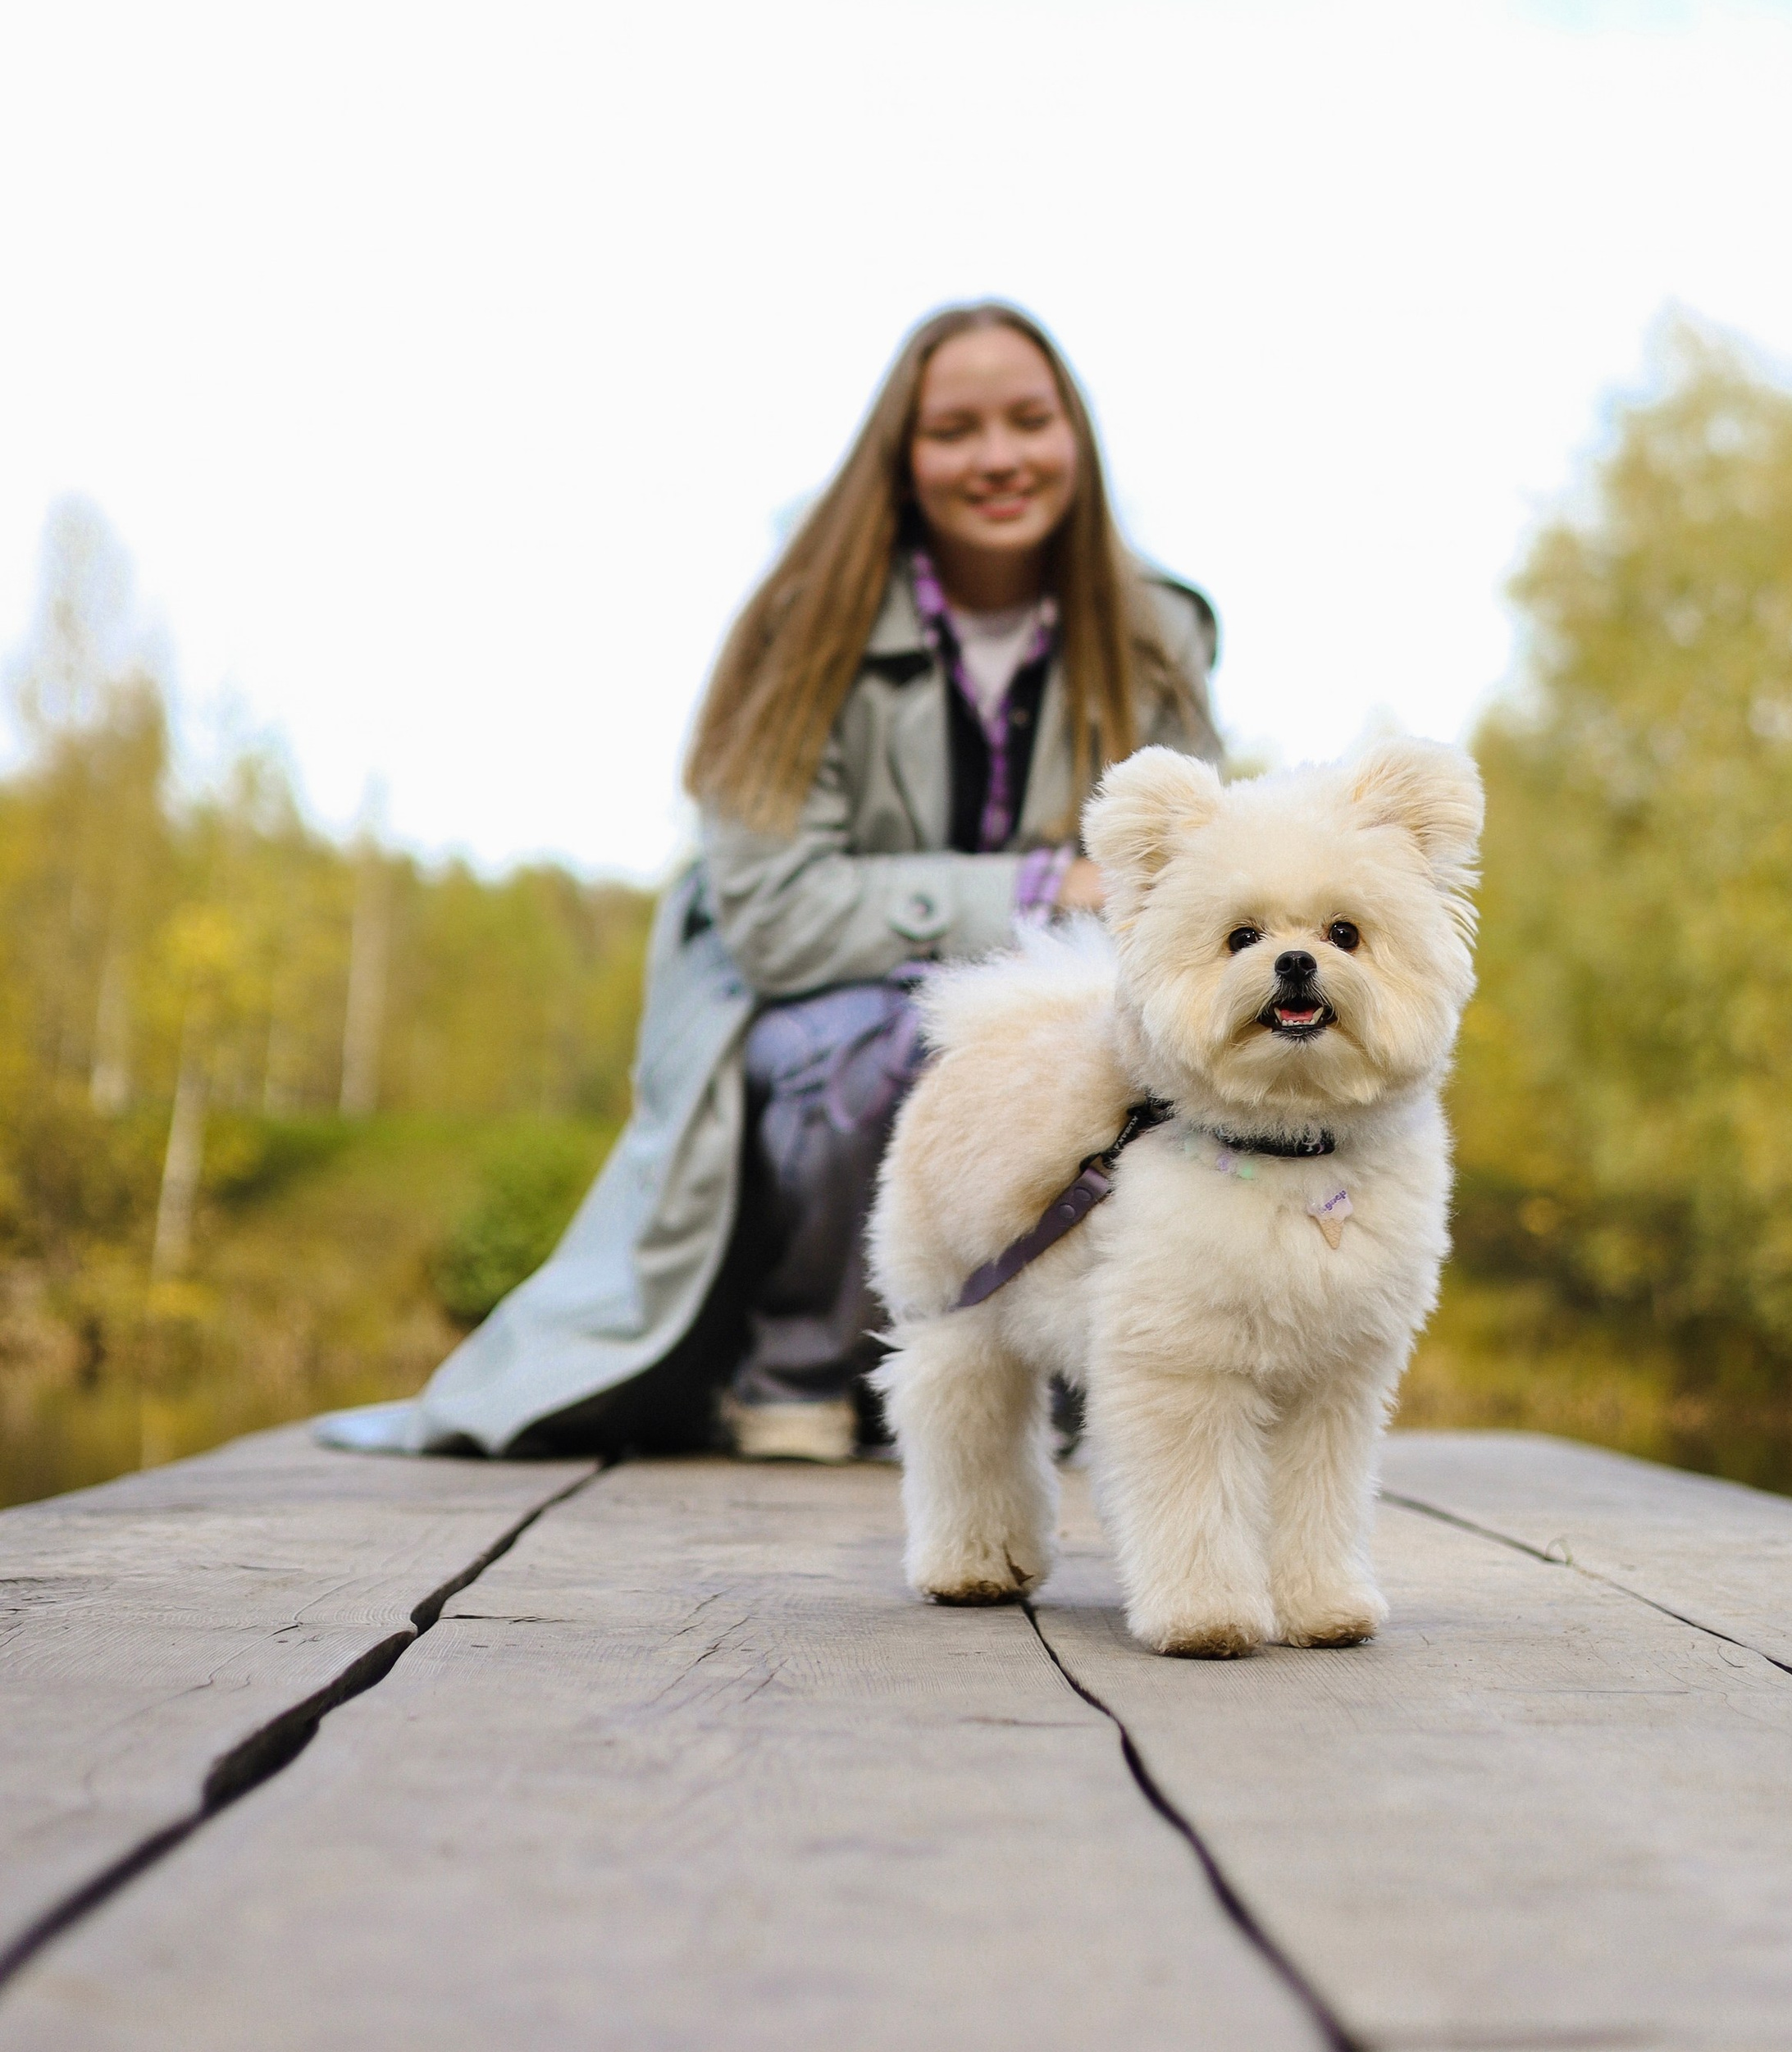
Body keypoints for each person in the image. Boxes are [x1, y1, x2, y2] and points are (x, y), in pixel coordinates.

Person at [317, 302, 1220, 1462]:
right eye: (955, 429)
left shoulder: (1159, 631)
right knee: (896, 1038)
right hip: (805, 1021)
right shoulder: (801, 626)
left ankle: (1060, 1375)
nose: (998, 456)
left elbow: (1184, 899)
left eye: (1029, 421)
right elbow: (780, 921)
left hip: (1068, 1019)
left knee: (1138, 1057)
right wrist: (1044, 885)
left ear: (1076, 439)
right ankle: (800, 1369)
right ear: (900, 457)